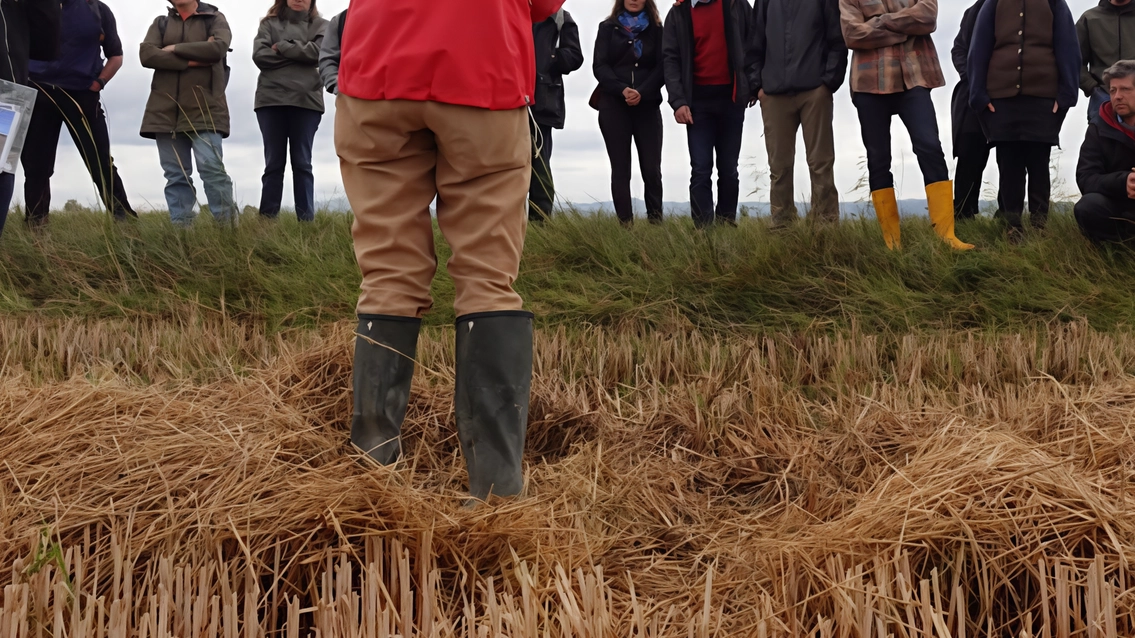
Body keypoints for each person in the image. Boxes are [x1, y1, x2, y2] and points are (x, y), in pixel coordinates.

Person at [336, 0, 565, 502]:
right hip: (481, 67)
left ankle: (372, 475)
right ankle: (495, 489)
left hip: (376, 69)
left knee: (388, 274)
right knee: (487, 278)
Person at [840, 0, 973, 251]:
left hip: (915, 79)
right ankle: (893, 244)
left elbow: (928, 17)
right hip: (868, 86)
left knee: (930, 147)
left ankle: (947, 236)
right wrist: (905, 25)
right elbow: (852, 34)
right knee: (878, 160)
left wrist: (879, 21)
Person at [968, 0, 1079, 240]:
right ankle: (1012, 226)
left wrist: (1067, 93)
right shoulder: (993, 3)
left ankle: (1040, 227)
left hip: (1044, 99)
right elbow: (978, 48)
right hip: (1001, 99)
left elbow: (1068, 46)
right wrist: (978, 94)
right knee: (1009, 166)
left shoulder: (1055, 3)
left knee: (1039, 164)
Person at [22, 0, 135, 226]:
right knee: (36, 166)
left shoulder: (98, 10)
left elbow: (116, 55)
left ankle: (125, 222)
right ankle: (36, 227)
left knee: (100, 161)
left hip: (82, 95)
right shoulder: (29, 6)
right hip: (38, 92)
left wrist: (99, 83)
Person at [749, 0, 847, 228]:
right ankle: (782, 229)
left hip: (814, 91)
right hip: (774, 95)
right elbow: (754, 44)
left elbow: (838, 40)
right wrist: (758, 88)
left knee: (821, 163)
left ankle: (826, 229)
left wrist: (828, 83)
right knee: (779, 166)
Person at [139, 0, 236, 227]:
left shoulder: (215, 18)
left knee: (213, 171)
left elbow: (217, 49)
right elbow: (147, 55)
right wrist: (193, 60)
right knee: (176, 176)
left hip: (206, 110)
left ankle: (229, 232)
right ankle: (182, 234)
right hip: (163, 112)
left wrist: (174, 48)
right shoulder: (160, 23)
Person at [663, 0, 757, 229]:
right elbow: (670, 59)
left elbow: (753, 44)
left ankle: (726, 224)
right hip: (697, 103)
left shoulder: (737, 4)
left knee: (728, 168)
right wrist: (678, 101)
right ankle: (703, 230)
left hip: (731, 99)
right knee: (701, 169)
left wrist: (752, 85)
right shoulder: (678, 12)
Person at [253, 0, 328, 222]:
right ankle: (267, 221)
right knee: (273, 164)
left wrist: (283, 46)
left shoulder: (323, 25)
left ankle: (306, 222)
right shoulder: (268, 24)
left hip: (307, 102)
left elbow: (318, 54)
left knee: (302, 163)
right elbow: (260, 56)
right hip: (270, 100)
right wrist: (301, 54)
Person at [593, 0, 665, 226]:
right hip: (613, 105)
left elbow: (663, 67)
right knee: (621, 169)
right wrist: (622, 89)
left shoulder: (658, 30)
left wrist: (641, 92)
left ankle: (656, 223)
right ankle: (626, 224)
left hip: (648, 105)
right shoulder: (607, 28)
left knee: (652, 169)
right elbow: (600, 66)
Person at [0, 0, 61, 237]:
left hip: (7, 96)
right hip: (9, 95)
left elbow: (47, 47)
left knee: (2, 171)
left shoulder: (15, 6)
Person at [530, 9, 584, 221]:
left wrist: (550, 57)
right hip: (508, 100)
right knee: (505, 165)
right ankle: (507, 224)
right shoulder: (508, 9)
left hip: (542, 101)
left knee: (539, 165)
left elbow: (574, 56)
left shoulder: (560, 17)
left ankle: (539, 225)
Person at [1074, 60, 1135, 243]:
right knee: (1088, 206)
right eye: (1113, 90)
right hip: (1118, 205)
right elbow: (1086, 178)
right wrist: (1123, 183)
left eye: (1125, 89)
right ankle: (1118, 251)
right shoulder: (1099, 127)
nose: (1117, 96)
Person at [951, 0, 993, 221]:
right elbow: (958, 49)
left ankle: (1008, 214)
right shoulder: (974, 11)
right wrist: (972, 78)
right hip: (972, 94)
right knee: (969, 153)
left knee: (1012, 156)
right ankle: (963, 213)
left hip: (1008, 94)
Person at [1077, 0, 1135, 123]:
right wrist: (1092, 87)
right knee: (1100, 140)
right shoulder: (1090, 18)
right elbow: (1074, 60)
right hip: (1102, 96)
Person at [318, 9, 345, 95]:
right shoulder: (342, 19)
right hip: (349, 98)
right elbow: (328, 57)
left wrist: (282, 46)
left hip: (387, 95)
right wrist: (336, 84)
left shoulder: (320, 25)